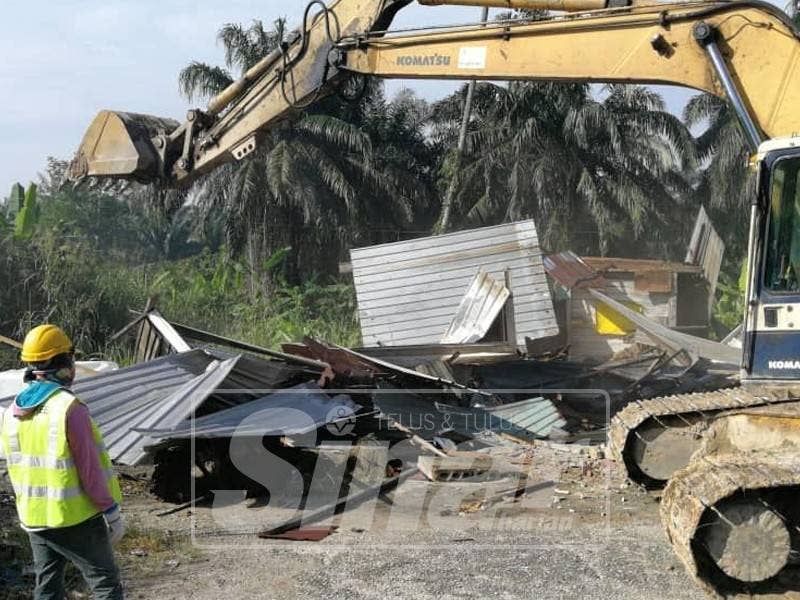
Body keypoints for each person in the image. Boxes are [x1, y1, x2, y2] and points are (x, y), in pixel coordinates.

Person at [0, 324, 125, 600]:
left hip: (35, 518)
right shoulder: (69, 408)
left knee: (48, 587)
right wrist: (111, 512)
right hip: (74, 519)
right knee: (105, 584)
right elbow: (90, 471)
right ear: (64, 361)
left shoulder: (11, 412)